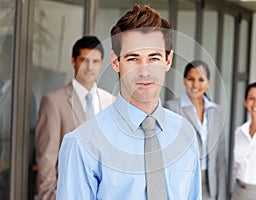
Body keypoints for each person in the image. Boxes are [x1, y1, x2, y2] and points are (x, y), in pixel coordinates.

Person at [56, 4, 201, 200]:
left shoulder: (186, 134)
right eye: (133, 58)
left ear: (168, 60)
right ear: (115, 62)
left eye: (154, 58)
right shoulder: (83, 144)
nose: (145, 71)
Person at [35, 36, 115, 200]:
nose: (90, 67)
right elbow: (47, 159)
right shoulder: (54, 102)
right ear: (74, 61)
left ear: (101, 63)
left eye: (95, 61)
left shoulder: (110, 101)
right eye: (84, 60)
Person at [164, 60, 227, 200]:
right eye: (191, 79)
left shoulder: (216, 112)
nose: (195, 85)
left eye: (201, 80)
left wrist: (221, 195)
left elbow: (220, 158)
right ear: (184, 80)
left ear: (208, 83)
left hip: (210, 185)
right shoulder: (172, 108)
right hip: (182, 183)